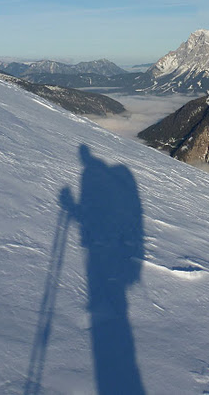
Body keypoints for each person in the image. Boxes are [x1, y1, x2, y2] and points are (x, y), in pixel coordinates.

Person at [60, 144, 145, 394]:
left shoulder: (91, 176)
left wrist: (72, 208)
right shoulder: (94, 176)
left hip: (99, 255)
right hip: (99, 253)